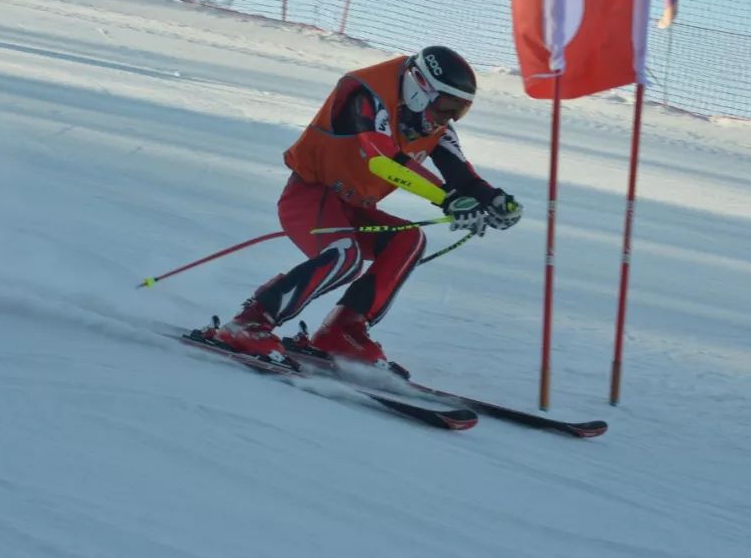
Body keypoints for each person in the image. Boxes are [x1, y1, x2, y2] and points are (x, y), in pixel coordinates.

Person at [205, 46, 523, 370]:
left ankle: (343, 331)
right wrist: (447, 199)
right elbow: (383, 162)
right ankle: (250, 322)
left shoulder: (434, 126)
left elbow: (462, 177)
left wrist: (494, 200)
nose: (447, 119)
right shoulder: (365, 96)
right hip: (310, 195)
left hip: (352, 206)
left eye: (459, 111)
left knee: (408, 240)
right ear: (420, 88)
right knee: (346, 255)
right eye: (445, 107)